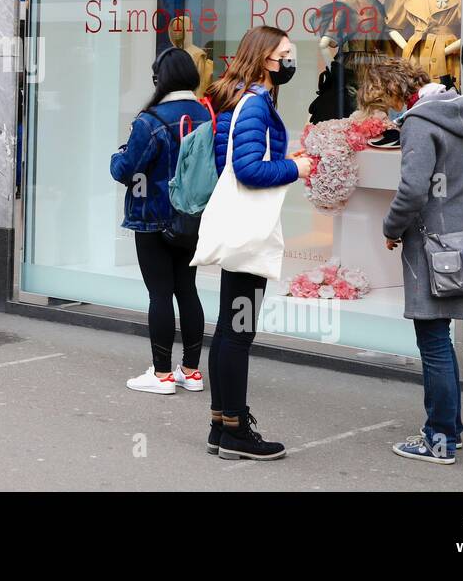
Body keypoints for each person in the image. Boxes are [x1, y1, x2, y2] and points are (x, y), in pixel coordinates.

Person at [204, 26, 313, 460]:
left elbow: (223, 163)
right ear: (265, 59)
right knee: (238, 331)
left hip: (240, 224)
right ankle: (235, 431)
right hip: (250, 228)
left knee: (229, 327)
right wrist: (296, 167)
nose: (290, 61)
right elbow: (248, 171)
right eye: (285, 54)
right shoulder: (254, 105)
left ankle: (220, 424)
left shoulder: (239, 99)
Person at [380, 59, 463, 465]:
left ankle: (438, 438)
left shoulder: (418, 123)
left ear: (395, 93)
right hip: (461, 240)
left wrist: (391, 229)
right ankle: (451, 431)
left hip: (428, 245)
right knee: (441, 338)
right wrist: (455, 220)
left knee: (434, 341)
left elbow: (411, 190)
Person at [110, 47, 213, 395]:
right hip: (193, 218)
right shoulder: (205, 114)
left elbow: (125, 169)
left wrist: (118, 153)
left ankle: (162, 374)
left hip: (152, 218)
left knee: (159, 294)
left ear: (160, 78)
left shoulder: (150, 120)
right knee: (188, 290)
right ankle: (192, 372)